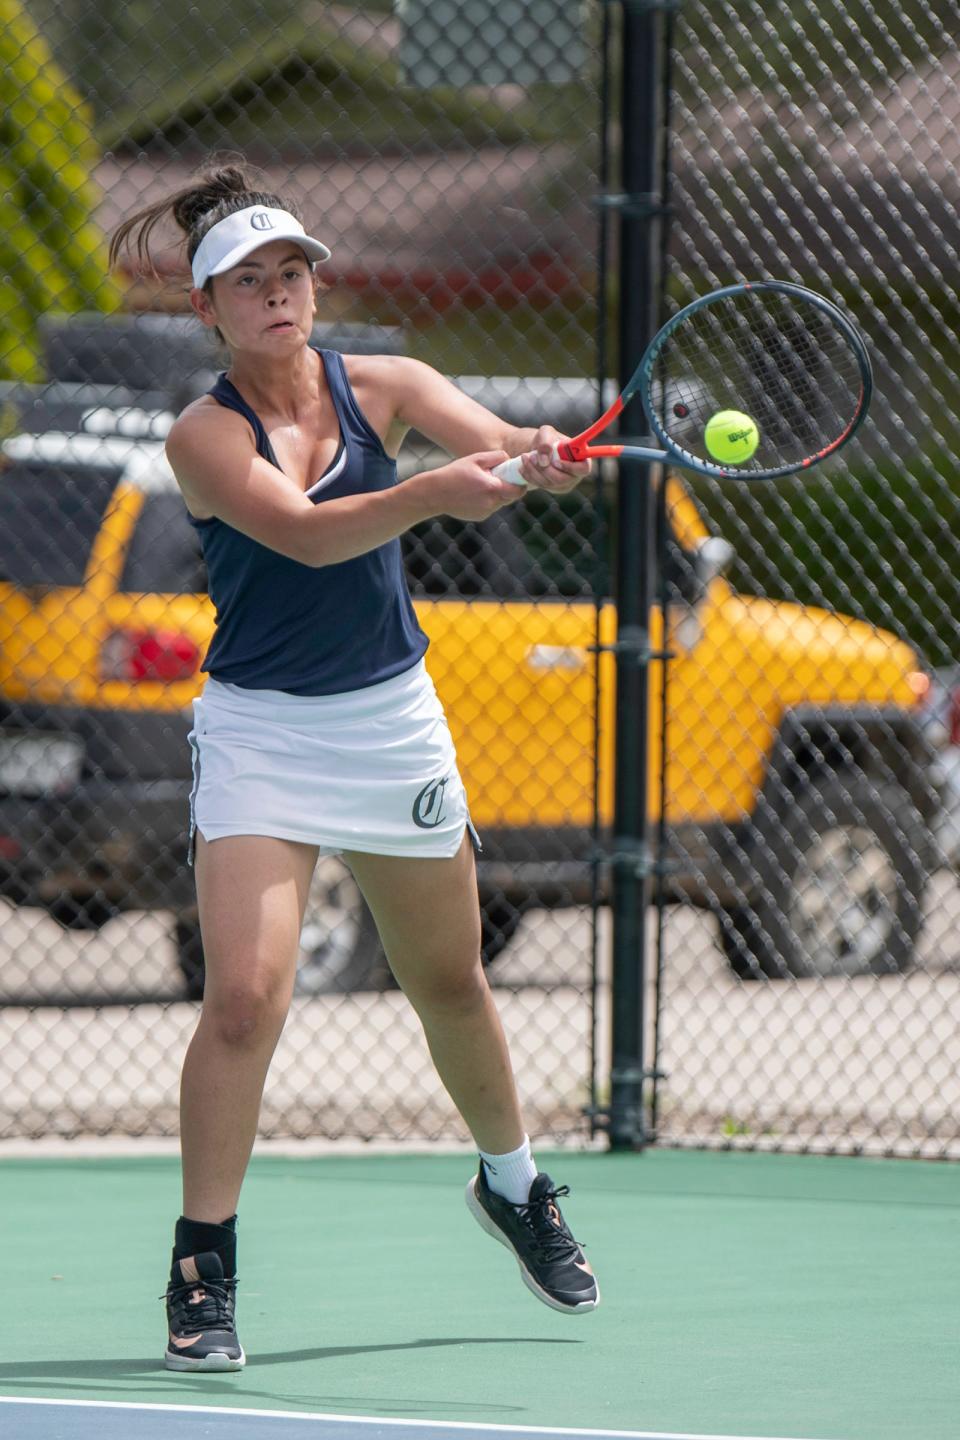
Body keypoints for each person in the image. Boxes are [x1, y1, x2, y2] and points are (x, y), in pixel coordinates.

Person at [109, 163, 599, 1374]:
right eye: (250, 283)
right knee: (243, 1001)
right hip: (264, 735)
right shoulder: (203, 435)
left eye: (293, 275)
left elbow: (495, 462)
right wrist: (442, 486)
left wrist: (534, 457)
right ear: (208, 310)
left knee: (450, 981)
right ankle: (203, 1264)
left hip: (391, 726)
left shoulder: (389, 383)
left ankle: (515, 1185)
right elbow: (316, 537)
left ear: (314, 288)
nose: (279, 296)